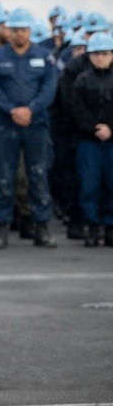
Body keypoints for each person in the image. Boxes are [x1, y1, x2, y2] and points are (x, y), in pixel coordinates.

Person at [0, 8, 58, 248]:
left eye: (23, 30)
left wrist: (30, 110)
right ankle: (1, 227)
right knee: (4, 176)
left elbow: (49, 88)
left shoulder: (44, 57)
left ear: (30, 31)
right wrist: (12, 110)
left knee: (38, 175)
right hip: (6, 124)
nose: (19, 34)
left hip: (36, 125)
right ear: (8, 31)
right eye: (14, 30)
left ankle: (41, 227)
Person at [71, 31, 113, 247]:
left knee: (111, 183)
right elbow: (77, 110)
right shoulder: (82, 80)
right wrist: (95, 128)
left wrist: (110, 129)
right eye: (96, 53)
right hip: (88, 141)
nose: (100, 58)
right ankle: (93, 226)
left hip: (112, 141)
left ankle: (110, 226)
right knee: (90, 184)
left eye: (105, 53)